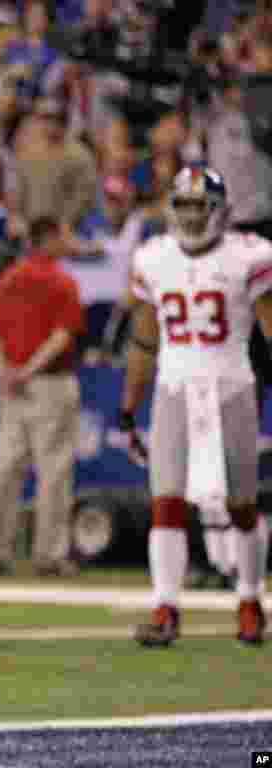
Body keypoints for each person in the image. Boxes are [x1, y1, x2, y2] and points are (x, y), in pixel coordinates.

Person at [120, 165, 271, 648]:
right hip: (173, 388)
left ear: (218, 210)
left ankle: (250, 598)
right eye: (181, 205)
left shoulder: (249, 256)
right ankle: (165, 607)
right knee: (166, 501)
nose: (189, 215)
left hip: (230, 386)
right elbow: (144, 337)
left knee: (241, 505)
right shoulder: (153, 257)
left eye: (197, 206)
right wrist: (129, 400)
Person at [0, 215, 84, 579]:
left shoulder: (8, 279)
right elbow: (62, 336)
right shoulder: (62, 281)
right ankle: (48, 555)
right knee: (53, 470)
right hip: (49, 384)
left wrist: (4, 371)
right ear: (50, 238)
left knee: (6, 468)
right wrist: (31, 370)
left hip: (12, 385)